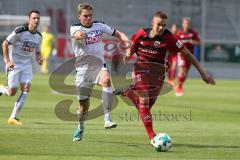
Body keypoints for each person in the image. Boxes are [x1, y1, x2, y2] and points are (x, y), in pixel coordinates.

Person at [113, 11, 215, 149]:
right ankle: (152, 137)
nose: (161, 28)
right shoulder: (141, 33)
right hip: (141, 72)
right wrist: (127, 55)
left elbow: (188, 54)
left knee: (146, 108)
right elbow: (133, 46)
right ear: (152, 23)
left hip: (158, 76)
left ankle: (129, 93)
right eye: (158, 25)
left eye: (163, 25)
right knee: (143, 102)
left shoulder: (170, 38)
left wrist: (203, 73)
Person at [70, 3, 131, 142]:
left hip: (98, 66)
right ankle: (80, 128)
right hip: (82, 72)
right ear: (79, 16)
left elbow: (118, 33)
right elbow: (77, 34)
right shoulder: (75, 27)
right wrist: (79, 35)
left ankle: (107, 118)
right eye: (85, 16)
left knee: (106, 80)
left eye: (90, 15)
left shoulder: (99, 26)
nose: (88, 18)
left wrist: (125, 39)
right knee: (83, 107)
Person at [0, 10, 43, 125]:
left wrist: (39, 58)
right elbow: (5, 43)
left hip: (26, 65)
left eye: (38, 18)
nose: (36, 20)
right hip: (14, 64)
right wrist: (8, 61)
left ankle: (13, 117)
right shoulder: (20, 31)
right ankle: (1, 89)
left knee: (26, 89)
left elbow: (38, 51)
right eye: (34, 18)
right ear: (29, 19)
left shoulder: (39, 36)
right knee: (11, 92)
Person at [175, 17, 201, 96]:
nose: (186, 25)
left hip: (190, 55)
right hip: (181, 54)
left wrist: (194, 42)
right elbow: (175, 43)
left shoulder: (193, 33)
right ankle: (179, 88)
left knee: (185, 73)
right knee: (181, 69)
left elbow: (199, 43)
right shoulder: (179, 33)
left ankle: (180, 85)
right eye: (185, 23)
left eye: (188, 24)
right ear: (182, 24)